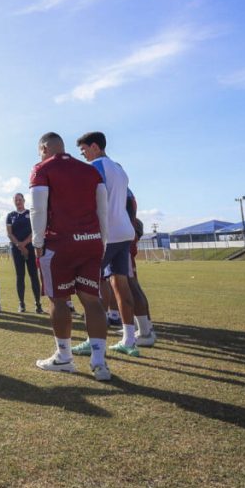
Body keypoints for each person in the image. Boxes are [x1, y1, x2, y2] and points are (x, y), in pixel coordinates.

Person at [29, 132, 112, 381]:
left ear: (44, 147)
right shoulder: (90, 170)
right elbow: (103, 208)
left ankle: (64, 357)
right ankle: (99, 362)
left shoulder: (42, 168)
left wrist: (37, 241)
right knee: (92, 300)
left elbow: (38, 208)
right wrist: (102, 240)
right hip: (91, 242)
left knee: (59, 299)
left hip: (59, 243)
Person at [75, 132, 140, 357]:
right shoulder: (119, 169)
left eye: (83, 149)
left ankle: (93, 341)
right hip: (124, 232)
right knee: (121, 285)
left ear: (94, 147)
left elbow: (89, 200)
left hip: (107, 234)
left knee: (89, 286)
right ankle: (129, 339)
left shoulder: (96, 167)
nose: (82, 154)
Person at [6, 193, 43, 314]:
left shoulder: (30, 213)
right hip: (16, 250)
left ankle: (38, 304)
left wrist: (25, 244)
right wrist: (19, 245)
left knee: (33, 276)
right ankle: (21, 304)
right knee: (20, 276)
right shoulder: (10, 216)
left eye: (20, 200)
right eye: (16, 200)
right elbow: (10, 234)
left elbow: (35, 231)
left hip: (30, 249)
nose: (18, 202)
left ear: (24, 200)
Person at [127, 192, 156, 345]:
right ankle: (144, 327)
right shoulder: (126, 192)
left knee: (130, 285)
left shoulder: (122, 193)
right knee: (131, 285)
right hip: (125, 238)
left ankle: (144, 332)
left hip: (122, 241)